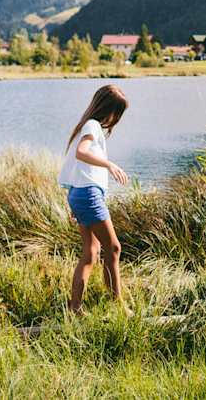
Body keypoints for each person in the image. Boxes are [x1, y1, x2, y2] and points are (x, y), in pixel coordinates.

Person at [59, 84, 130, 313]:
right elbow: (81, 152)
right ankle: (118, 306)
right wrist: (109, 165)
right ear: (108, 110)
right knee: (114, 248)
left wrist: (75, 200)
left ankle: (75, 308)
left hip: (81, 193)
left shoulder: (88, 125)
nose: (116, 119)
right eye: (117, 113)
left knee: (91, 252)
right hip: (87, 195)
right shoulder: (92, 125)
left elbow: (76, 167)